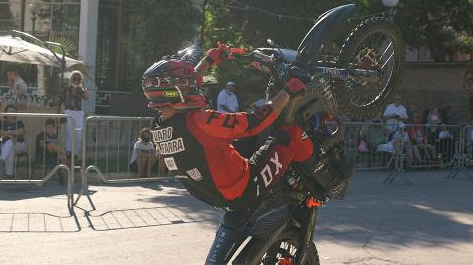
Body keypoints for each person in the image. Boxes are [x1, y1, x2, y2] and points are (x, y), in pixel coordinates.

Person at [141, 43, 353, 216]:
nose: (196, 85)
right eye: (190, 83)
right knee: (292, 134)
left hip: (210, 193)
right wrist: (290, 89)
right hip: (242, 190)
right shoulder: (200, 121)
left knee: (237, 143)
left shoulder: (158, 124)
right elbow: (257, 121)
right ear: (179, 90)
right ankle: (332, 181)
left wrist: (209, 59)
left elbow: (182, 85)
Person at [60, 70, 89, 157]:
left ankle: (75, 153)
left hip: (79, 113)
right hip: (69, 111)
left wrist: (83, 85)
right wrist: (59, 113)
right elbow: (60, 100)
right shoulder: (66, 89)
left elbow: (87, 97)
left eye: (78, 78)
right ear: (71, 79)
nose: (76, 80)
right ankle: (68, 152)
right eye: (74, 78)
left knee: (78, 134)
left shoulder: (81, 89)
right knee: (69, 133)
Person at [0, 104, 26, 177]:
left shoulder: (19, 123)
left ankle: (0, 161)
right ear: (6, 113)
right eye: (10, 111)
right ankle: (10, 175)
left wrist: (8, 133)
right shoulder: (0, 123)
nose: (12, 113)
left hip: (19, 145)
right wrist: (11, 136)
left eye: (14, 112)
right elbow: (1, 133)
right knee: (10, 149)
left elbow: (20, 131)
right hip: (5, 145)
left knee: (10, 144)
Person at [35, 118, 68, 183]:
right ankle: (65, 152)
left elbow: (58, 145)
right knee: (51, 145)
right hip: (44, 154)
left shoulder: (55, 136)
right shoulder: (42, 134)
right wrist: (49, 145)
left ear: (53, 128)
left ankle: (63, 176)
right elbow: (41, 144)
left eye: (50, 128)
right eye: (47, 127)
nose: (48, 129)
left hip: (54, 154)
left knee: (62, 157)